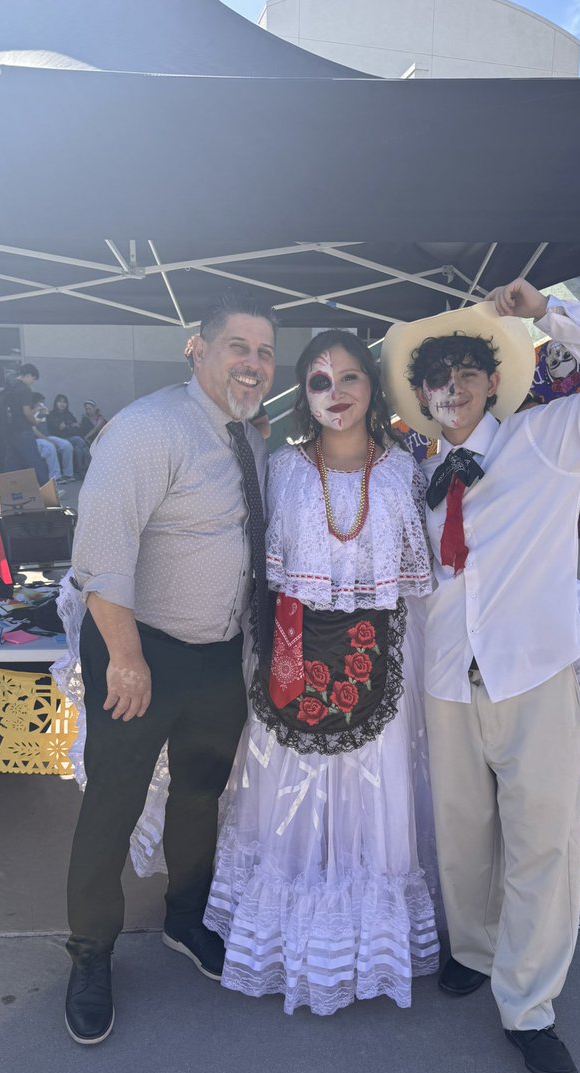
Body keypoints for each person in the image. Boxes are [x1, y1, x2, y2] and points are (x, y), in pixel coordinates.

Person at [381, 278, 580, 1073]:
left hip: (531, 672)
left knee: (542, 842)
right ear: (423, 396)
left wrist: (549, 315)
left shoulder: (546, 439)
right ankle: (473, 949)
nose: (452, 388)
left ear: (493, 380)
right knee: (462, 834)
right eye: (438, 378)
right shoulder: (418, 475)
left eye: (467, 372)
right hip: (446, 679)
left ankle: (529, 1006)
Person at [204, 330, 438, 1016]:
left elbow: (418, 575)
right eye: (317, 382)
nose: (335, 395)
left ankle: (370, 945)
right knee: (293, 796)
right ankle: (289, 939)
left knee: (377, 793)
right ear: (303, 396)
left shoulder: (401, 471)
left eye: (348, 379)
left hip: (380, 656)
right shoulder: (281, 468)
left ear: (373, 386)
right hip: (293, 656)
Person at [64, 289, 276, 1045]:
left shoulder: (251, 440)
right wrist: (124, 658)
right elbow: (101, 558)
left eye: (264, 352)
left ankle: (187, 918)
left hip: (216, 656)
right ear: (198, 348)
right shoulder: (149, 428)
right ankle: (90, 952)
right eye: (237, 347)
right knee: (114, 803)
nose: (253, 364)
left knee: (199, 795)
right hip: (139, 648)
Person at [32, 392, 75, 482]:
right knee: (50, 447)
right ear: (35, 404)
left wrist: (45, 415)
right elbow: (35, 432)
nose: (42, 404)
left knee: (67, 445)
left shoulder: (43, 413)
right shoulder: (30, 415)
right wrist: (49, 441)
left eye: (43, 402)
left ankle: (68, 474)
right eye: (40, 402)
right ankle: (55, 477)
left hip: (48, 436)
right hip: (37, 438)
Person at [47, 394, 92, 478]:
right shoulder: (51, 415)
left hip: (70, 437)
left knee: (79, 447)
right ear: (56, 403)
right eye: (60, 401)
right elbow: (53, 430)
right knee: (79, 442)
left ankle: (84, 470)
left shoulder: (68, 414)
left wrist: (66, 426)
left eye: (64, 402)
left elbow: (77, 427)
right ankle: (86, 469)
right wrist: (67, 426)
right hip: (58, 438)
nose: (62, 404)